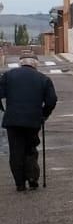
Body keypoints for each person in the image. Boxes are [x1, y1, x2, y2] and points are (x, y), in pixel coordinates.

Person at [1, 53, 58, 192]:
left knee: (16, 151)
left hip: (13, 120)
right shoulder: (43, 79)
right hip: (33, 120)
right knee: (30, 148)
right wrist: (44, 114)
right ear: (35, 64)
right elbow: (52, 100)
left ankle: (19, 183)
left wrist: (3, 109)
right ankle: (32, 177)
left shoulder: (8, 76)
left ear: (21, 63)